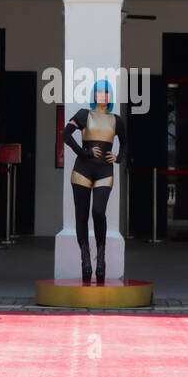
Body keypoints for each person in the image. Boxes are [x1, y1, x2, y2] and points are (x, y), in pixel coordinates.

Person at [62, 79, 126, 284]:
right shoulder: (83, 114)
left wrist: (118, 157)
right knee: (81, 216)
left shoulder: (116, 119)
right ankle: (85, 258)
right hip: (82, 170)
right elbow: (65, 134)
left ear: (110, 96)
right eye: (99, 92)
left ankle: (101, 257)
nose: (103, 95)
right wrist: (83, 151)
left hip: (104, 171)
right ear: (93, 95)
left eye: (106, 92)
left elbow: (125, 144)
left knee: (98, 212)